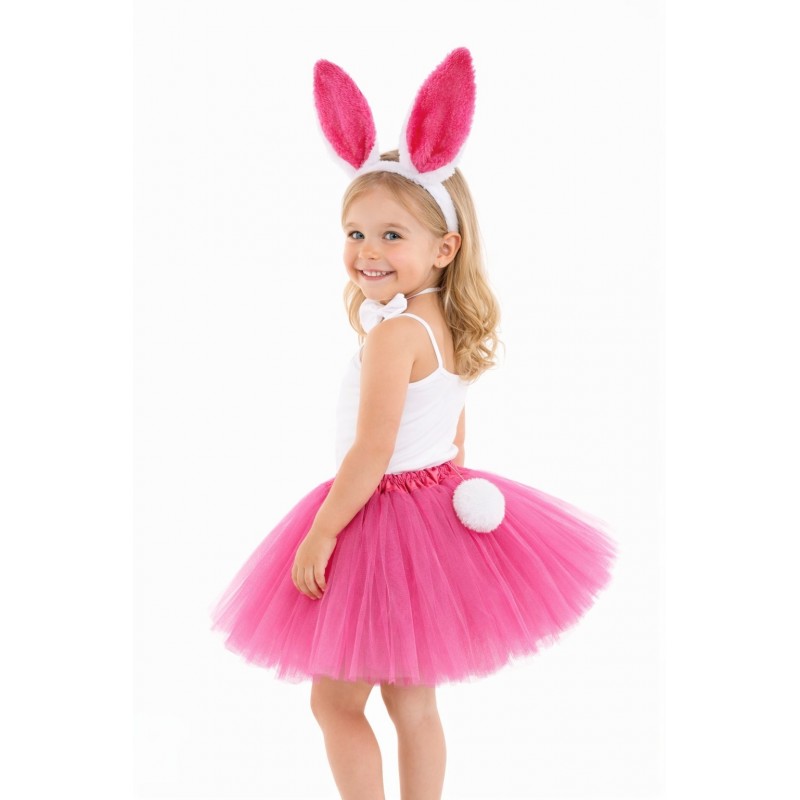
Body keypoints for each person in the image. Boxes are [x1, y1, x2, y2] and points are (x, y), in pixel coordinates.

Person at [209, 47, 619, 800]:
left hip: (376, 516)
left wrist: (323, 531)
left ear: (444, 246)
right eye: (355, 233)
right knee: (414, 704)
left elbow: (371, 452)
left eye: (391, 235)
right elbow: (455, 436)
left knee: (334, 703)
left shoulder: (396, 334)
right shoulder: (445, 326)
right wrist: (444, 495)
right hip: (434, 510)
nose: (367, 252)